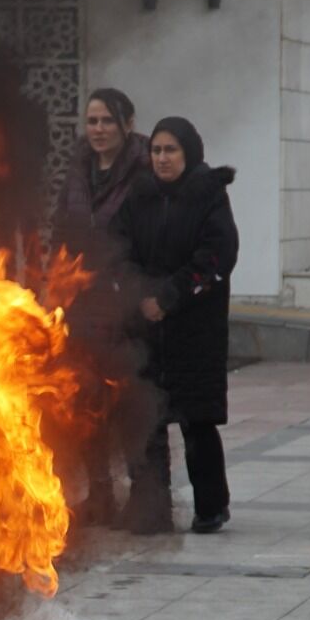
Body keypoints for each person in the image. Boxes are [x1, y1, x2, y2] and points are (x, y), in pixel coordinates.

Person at [112, 116, 238, 537]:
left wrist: (169, 298)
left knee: (195, 419)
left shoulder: (209, 194)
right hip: (145, 326)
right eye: (157, 151)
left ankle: (211, 506)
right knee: (147, 418)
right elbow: (118, 248)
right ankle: (151, 506)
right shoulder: (140, 195)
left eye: (171, 151)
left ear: (189, 153)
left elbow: (218, 254)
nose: (162, 159)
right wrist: (139, 295)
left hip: (193, 325)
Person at [50, 88, 146, 528]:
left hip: (124, 303)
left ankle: (142, 494)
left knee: (126, 401)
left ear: (126, 124)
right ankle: (100, 492)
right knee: (84, 397)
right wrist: (54, 285)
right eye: (92, 122)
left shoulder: (142, 171)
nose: (99, 130)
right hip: (82, 303)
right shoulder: (78, 172)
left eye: (107, 121)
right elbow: (61, 231)